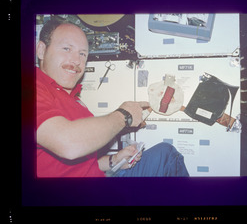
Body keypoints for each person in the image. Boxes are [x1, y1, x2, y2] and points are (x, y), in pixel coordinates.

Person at [36, 18, 189, 177]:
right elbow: (68, 144)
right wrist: (124, 115)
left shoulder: (74, 98)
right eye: (67, 48)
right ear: (41, 50)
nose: (76, 60)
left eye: (82, 53)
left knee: (165, 154)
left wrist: (114, 160)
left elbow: (83, 164)